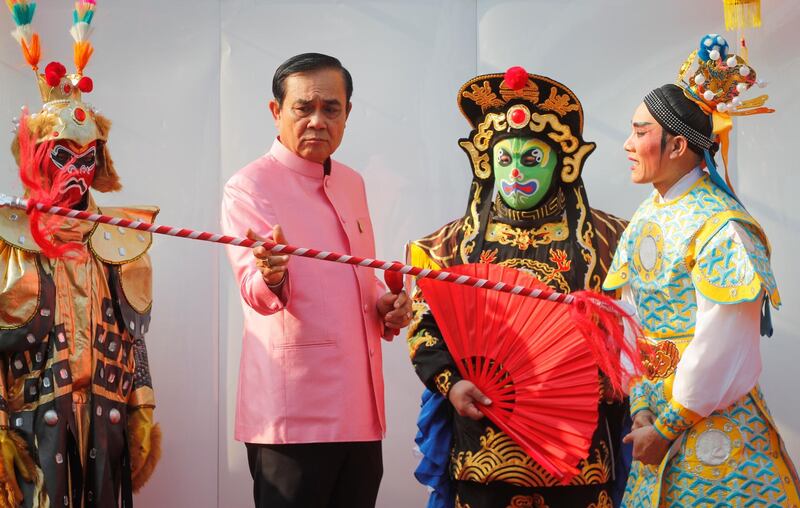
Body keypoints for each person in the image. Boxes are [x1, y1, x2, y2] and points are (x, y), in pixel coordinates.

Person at [407, 66, 630, 508]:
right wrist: (451, 384)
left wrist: (610, 379)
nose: (514, 174)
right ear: (487, 165)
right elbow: (425, 328)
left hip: (580, 458)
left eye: (531, 159)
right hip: (482, 454)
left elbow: (634, 333)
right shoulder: (450, 246)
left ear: (563, 164)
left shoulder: (610, 241)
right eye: (505, 160)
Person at [603, 33, 800, 506]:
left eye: (640, 132)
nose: (628, 145)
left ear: (676, 146)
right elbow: (634, 322)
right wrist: (643, 408)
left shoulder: (721, 225)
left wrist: (668, 422)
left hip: (715, 424)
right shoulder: (647, 217)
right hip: (655, 416)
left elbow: (724, 340)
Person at [220, 52, 412, 508]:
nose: (317, 121)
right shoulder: (250, 186)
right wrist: (272, 275)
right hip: (293, 415)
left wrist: (385, 306)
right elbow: (256, 291)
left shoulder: (351, 182)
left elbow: (358, 284)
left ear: (347, 114)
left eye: (331, 109)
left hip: (362, 412)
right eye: (303, 108)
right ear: (276, 112)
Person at [0, 2, 160, 506]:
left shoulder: (119, 238)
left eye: (87, 157)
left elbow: (131, 337)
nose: (78, 170)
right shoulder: (9, 239)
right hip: (32, 422)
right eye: (63, 156)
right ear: (36, 157)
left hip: (106, 417)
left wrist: (142, 407)